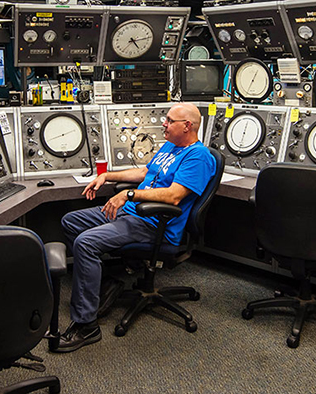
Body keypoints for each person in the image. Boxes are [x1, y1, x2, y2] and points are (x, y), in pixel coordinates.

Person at [55, 103, 216, 353]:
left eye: (170, 120)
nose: (164, 123)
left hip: (153, 223)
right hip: (131, 213)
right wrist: (107, 176)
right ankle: (104, 285)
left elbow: (174, 196)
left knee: (85, 243)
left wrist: (129, 196)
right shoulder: (171, 146)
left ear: (187, 126)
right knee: (70, 221)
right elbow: (144, 172)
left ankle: (86, 326)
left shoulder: (198, 157)